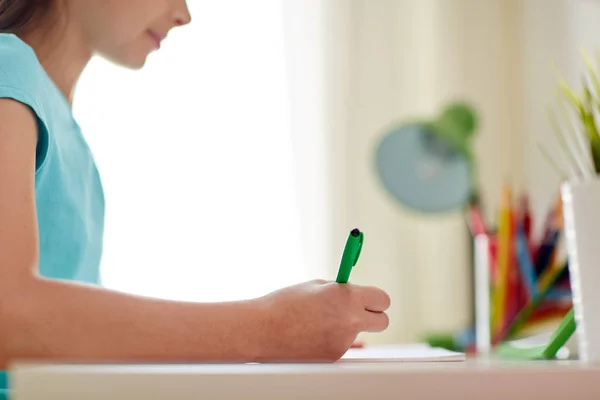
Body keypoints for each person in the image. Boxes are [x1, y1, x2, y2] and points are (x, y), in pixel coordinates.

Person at [0, 0, 391, 389]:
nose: (183, 14)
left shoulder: (58, 123)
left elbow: (63, 338)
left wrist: (305, 333)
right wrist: (274, 327)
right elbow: (11, 318)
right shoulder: (8, 66)